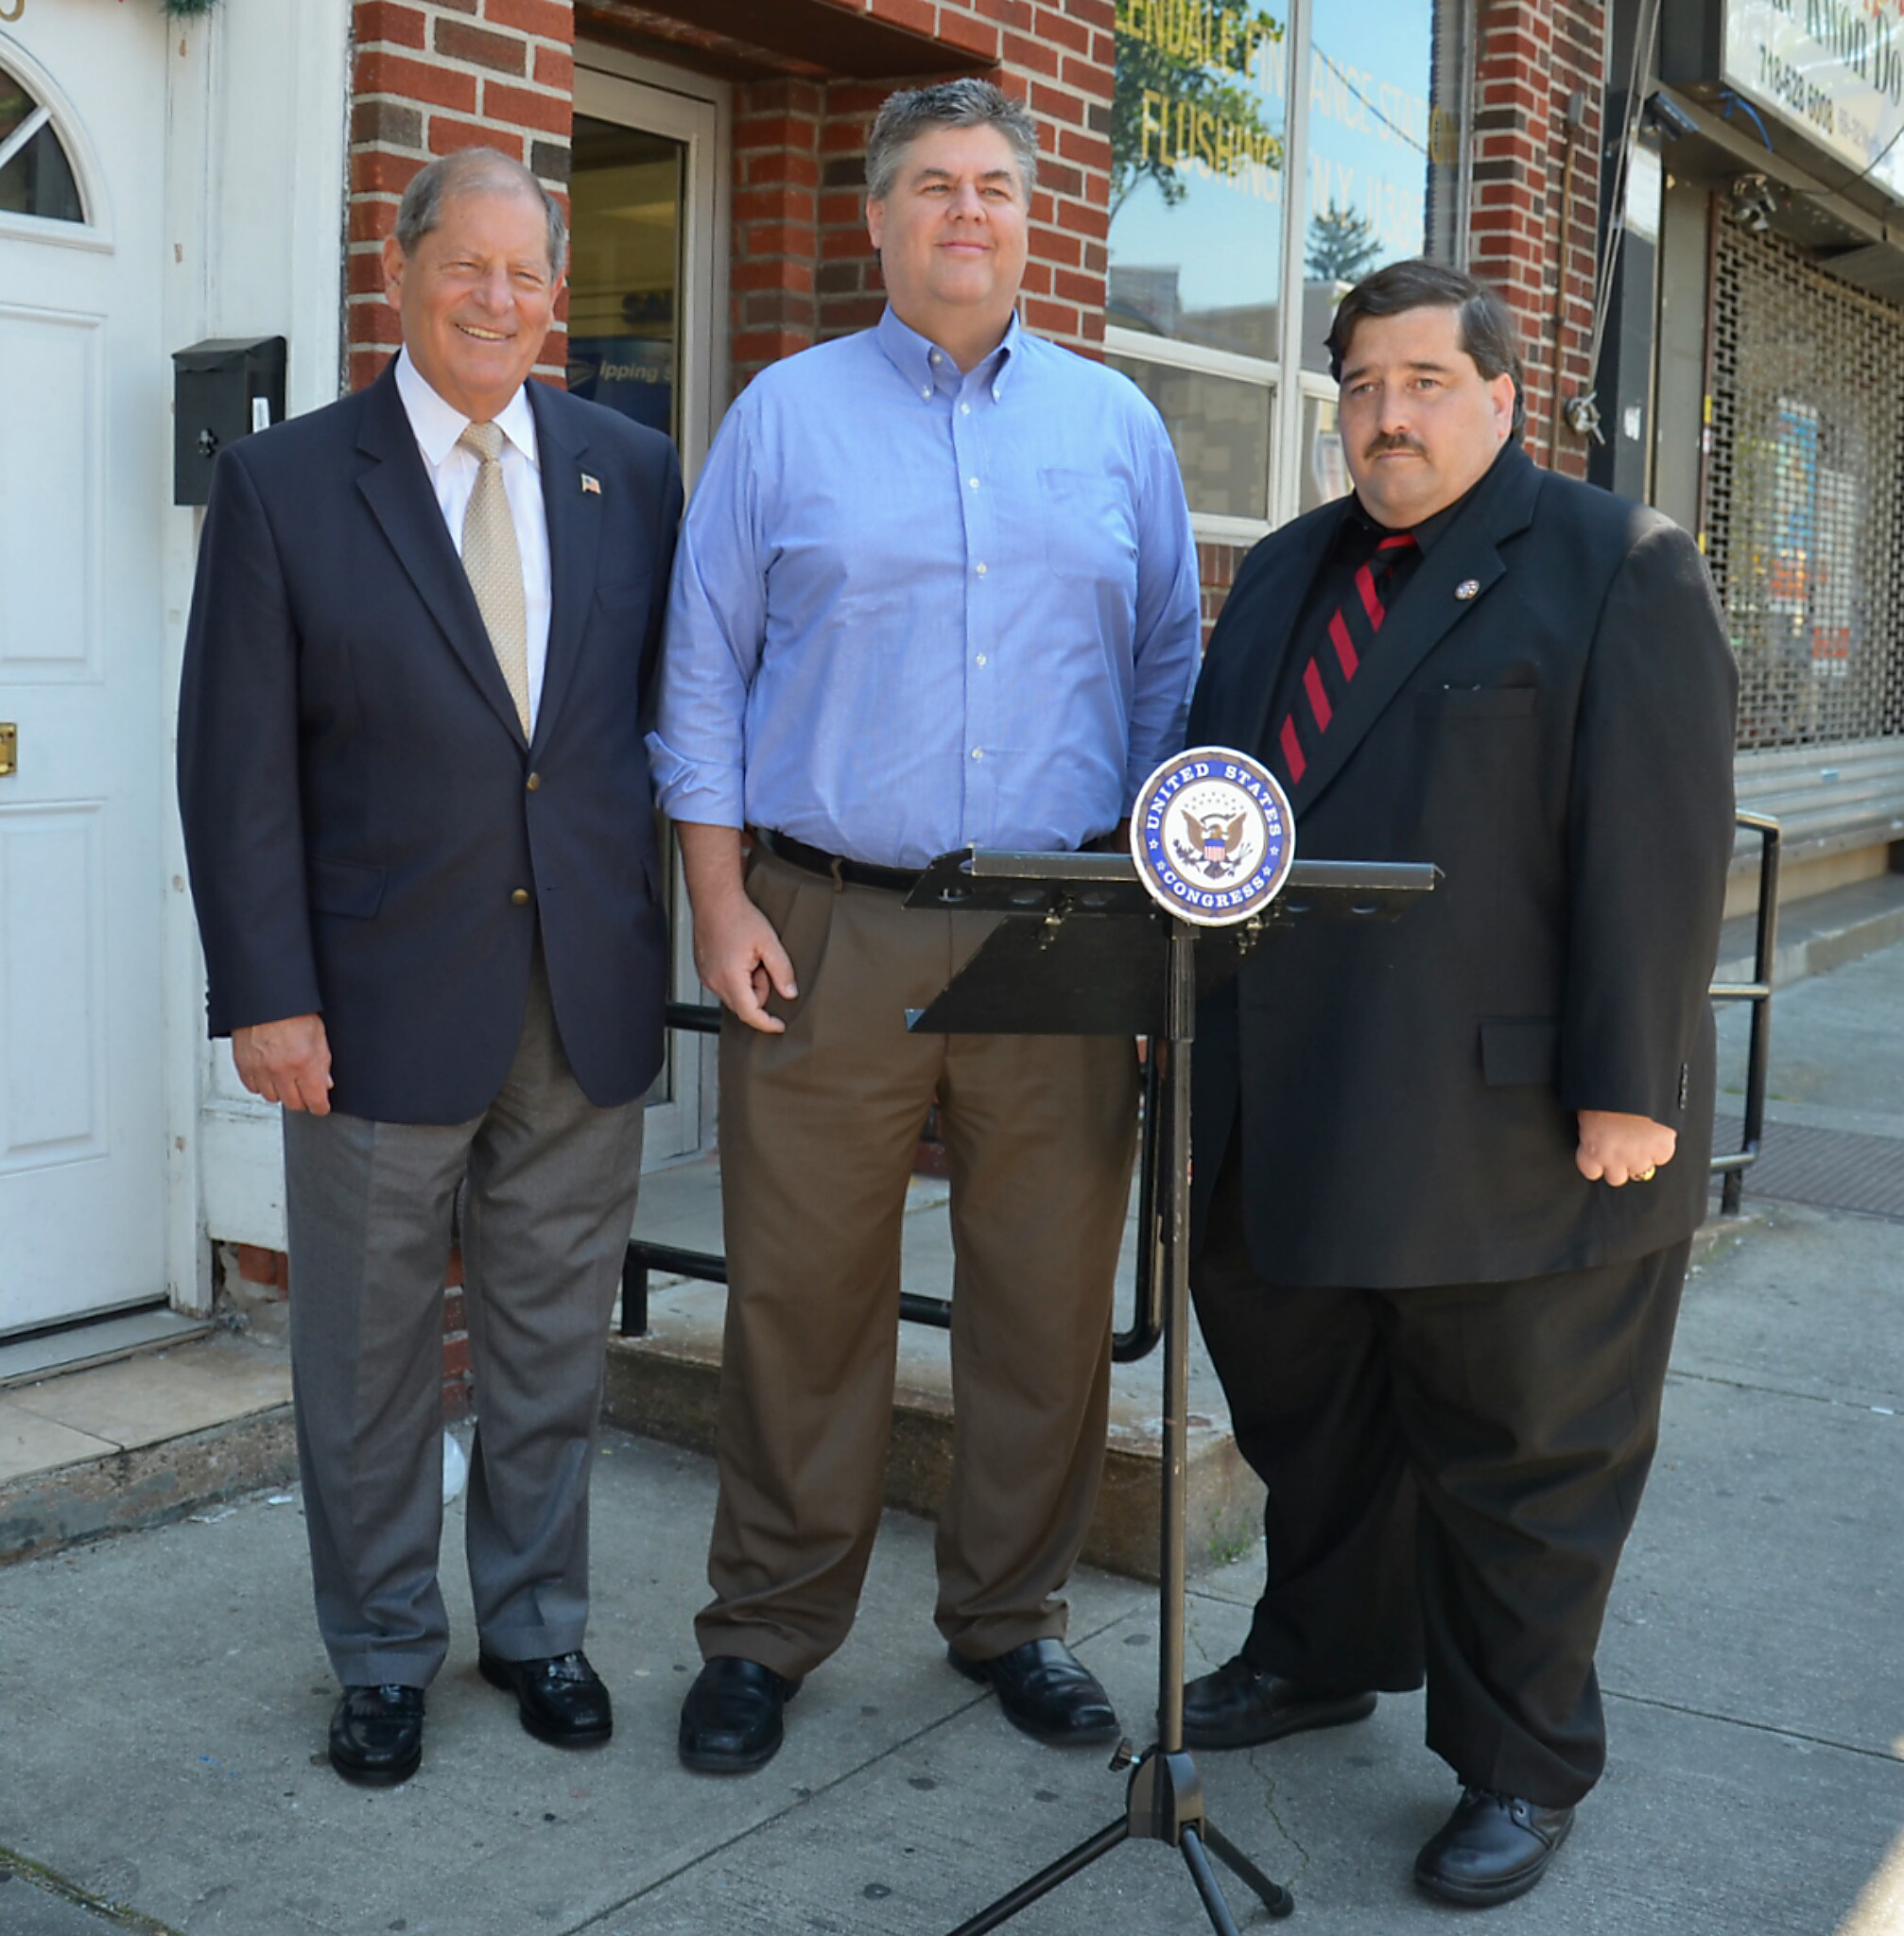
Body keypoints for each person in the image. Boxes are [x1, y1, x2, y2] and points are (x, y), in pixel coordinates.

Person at [651, 78, 1200, 1773]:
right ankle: (767, 1626)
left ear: (1032, 221)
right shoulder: (784, 417)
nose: (966, 211)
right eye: (932, 186)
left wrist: (1143, 916)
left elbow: (1168, 671)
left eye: (994, 186)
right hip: (829, 924)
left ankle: (1009, 1619)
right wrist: (721, 893)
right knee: (801, 1300)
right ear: (876, 220)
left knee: (1041, 1305)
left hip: (1058, 924)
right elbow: (701, 668)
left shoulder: (1117, 426)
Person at [1180, 259, 1738, 1906]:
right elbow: (1215, 809)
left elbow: (1658, 845)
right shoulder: (1285, 574)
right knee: (1322, 1428)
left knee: (1524, 1467)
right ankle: (1324, 1651)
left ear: (1505, 391)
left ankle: (1519, 1765)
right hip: (1288, 1113)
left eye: (1423, 380)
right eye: (1358, 384)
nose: (1386, 414)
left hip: (1518, 1132)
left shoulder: (1615, 565)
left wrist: (1629, 1087)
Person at [176, 148, 681, 1787]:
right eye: (465, 265)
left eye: (527, 275)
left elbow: (655, 729)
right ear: (399, 272)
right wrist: (264, 990)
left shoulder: (630, 470)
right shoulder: (289, 483)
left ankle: (537, 1625)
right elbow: (234, 765)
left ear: (555, 297)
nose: (497, 300)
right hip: (369, 1006)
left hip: (580, 995)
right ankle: (382, 1648)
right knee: (369, 1358)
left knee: (550, 1347)